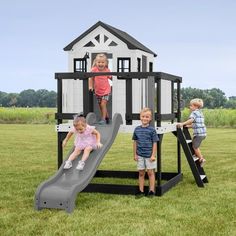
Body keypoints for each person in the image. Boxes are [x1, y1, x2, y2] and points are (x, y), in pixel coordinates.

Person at [132, 107, 159, 197]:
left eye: (147, 117)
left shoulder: (152, 130)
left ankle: (151, 191)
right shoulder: (137, 129)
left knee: (150, 172)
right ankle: (141, 191)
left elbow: (155, 143)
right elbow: (135, 142)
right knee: (141, 173)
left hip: (149, 156)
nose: (145, 118)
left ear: (150, 118)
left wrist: (153, 155)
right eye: (143, 116)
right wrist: (135, 154)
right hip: (140, 155)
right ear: (140, 117)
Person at [177, 98, 207, 166]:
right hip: (203, 133)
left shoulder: (194, 113)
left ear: (196, 106)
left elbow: (191, 120)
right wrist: (189, 126)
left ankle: (201, 158)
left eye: (191, 106)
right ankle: (197, 155)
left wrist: (183, 124)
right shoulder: (200, 113)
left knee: (195, 147)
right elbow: (197, 124)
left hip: (198, 134)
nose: (190, 107)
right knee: (195, 145)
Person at [89, 53, 112, 125]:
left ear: (106, 63)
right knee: (101, 106)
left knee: (103, 104)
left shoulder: (107, 70)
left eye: (102, 62)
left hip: (106, 90)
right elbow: (91, 78)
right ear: (96, 62)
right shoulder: (94, 70)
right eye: (99, 62)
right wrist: (90, 86)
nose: (101, 64)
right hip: (98, 91)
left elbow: (111, 77)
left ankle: (103, 119)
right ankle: (107, 117)